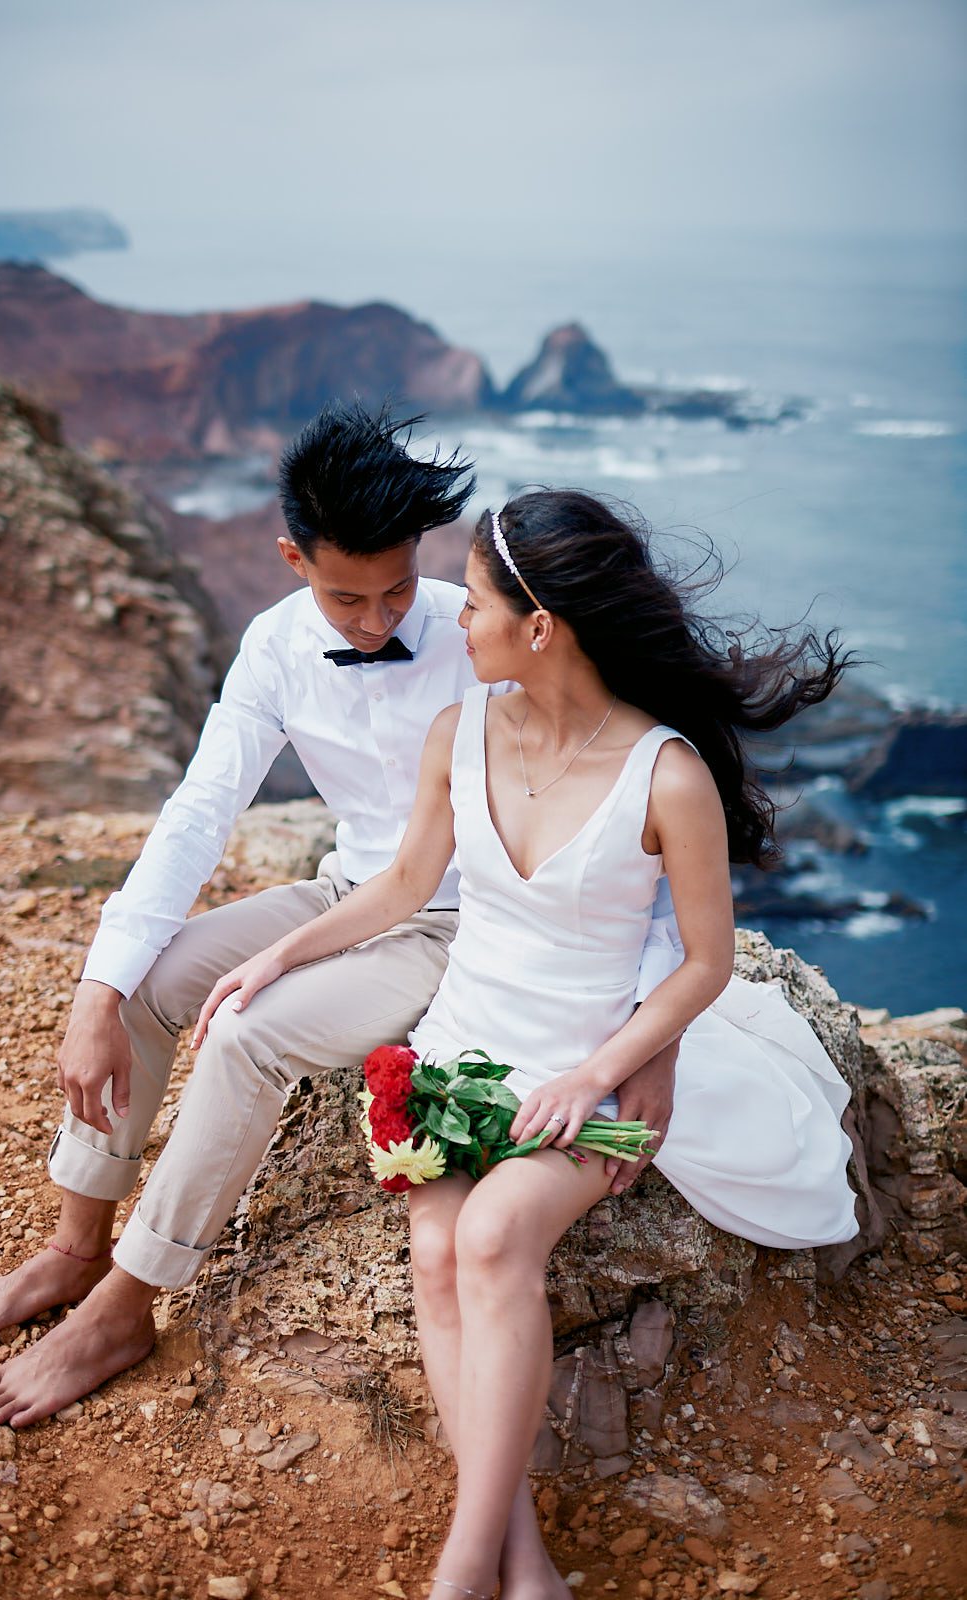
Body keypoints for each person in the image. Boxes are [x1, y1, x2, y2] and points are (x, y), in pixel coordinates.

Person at [0, 411, 681, 1434]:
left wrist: (655, 1022)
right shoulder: (275, 646)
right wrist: (93, 990)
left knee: (246, 1037)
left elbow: (632, 830)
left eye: (394, 589)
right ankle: (76, 1244)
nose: (378, 619)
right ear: (291, 558)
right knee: (151, 988)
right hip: (348, 895)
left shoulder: (490, 637)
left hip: (465, 926)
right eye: (345, 596)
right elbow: (201, 812)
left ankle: (126, 1302)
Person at [184, 490, 859, 1600]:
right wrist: (277, 957)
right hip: (455, 1049)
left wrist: (604, 1069)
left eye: (478, 603)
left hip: (579, 1071)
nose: (456, 622)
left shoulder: (666, 774)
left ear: (538, 627)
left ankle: (464, 1562)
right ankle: (523, 1557)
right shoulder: (460, 731)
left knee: (494, 1237)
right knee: (436, 1252)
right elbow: (405, 885)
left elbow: (702, 961)